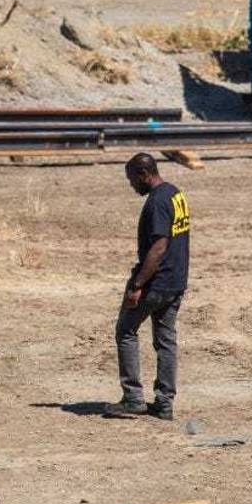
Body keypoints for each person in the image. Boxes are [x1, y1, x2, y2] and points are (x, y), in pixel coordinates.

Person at [104, 153, 190, 420]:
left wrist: (137, 284)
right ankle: (164, 403)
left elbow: (159, 247)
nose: (131, 185)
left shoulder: (157, 203)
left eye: (132, 180)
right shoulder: (175, 193)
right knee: (166, 341)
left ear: (144, 174)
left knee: (126, 331)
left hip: (156, 283)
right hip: (176, 281)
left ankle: (133, 398)